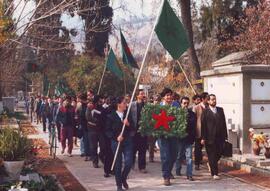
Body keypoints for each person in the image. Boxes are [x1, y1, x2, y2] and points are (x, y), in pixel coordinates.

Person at [106, 97, 134, 191]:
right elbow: (107, 131)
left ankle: (123, 178)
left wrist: (128, 124)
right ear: (119, 105)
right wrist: (116, 137)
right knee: (118, 164)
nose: (126, 104)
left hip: (127, 141)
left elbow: (133, 127)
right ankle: (119, 185)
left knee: (129, 162)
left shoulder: (127, 115)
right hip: (116, 142)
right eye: (124, 103)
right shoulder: (111, 116)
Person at [201, 94, 228, 180]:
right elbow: (203, 126)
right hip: (209, 138)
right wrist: (203, 138)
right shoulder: (205, 112)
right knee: (212, 155)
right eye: (212, 99)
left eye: (215, 99)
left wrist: (225, 135)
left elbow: (224, 123)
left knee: (219, 153)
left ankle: (211, 163)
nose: (214, 101)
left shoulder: (220, 110)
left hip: (220, 137)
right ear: (208, 101)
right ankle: (214, 173)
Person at [158, 88, 179, 186]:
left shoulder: (176, 105)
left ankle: (168, 171)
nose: (169, 97)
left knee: (174, 155)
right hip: (162, 136)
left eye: (170, 95)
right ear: (163, 97)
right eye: (167, 95)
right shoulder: (158, 107)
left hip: (174, 134)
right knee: (165, 156)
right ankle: (166, 177)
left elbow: (180, 118)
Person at [175, 97, 196, 181]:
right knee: (179, 156)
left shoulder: (192, 114)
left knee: (189, 157)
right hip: (179, 139)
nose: (186, 105)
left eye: (187, 103)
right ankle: (178, 170)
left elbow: (193, 127)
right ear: (181, 104)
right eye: (184, 103)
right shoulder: (176, 113)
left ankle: (189, 174)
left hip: (188, 139)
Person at [85, 95, 105, 168]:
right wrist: (97, 121)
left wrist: (102, 122)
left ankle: (101, 155)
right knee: (93, 147)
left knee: (103, 146)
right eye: (100, 100)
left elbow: (104, 117)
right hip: (92, 130)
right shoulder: (90, 107)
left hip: (101, 130)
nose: (101, 101)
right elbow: (88, 117)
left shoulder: (102, 108)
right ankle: (95, 161)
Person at [130, 89, 147, 173]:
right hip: (134, 131)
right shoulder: (132, 105)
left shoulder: (146, 105)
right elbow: (128, 116)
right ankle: (131, 164)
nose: (142, 95)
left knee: (142, 150)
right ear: (137, 95)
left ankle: (142, 167)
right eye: (141, 94)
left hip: (143, 131)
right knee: (133, 149)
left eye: (143, 94)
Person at [192, 92, 209, 170]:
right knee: (198, 148)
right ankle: (197, 163)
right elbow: (193, 120)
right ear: (203, 99)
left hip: (208, 131)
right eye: (207, 98)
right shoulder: (196, 108)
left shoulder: (209, 107)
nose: (208, 100)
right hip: (199, 131)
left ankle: (207, 162)